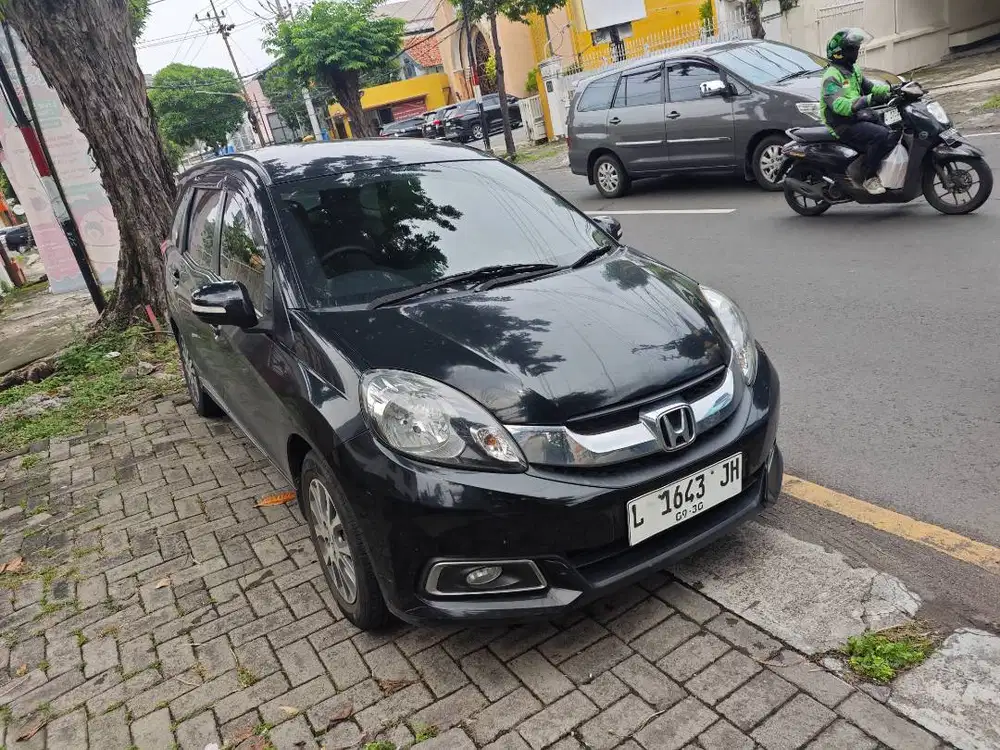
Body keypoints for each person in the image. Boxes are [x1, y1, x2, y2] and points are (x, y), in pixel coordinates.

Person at [820, 28, 895, 194]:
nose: (857, 52)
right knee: (880, 135)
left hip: (858, 117)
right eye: (853, 49)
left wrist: (894, 89)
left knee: (894, 129)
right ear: (841, 53)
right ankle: (869, 177)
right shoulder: (831, 76)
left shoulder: (854, 71)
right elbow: (838, 105)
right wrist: (864, 101)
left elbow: (872, 88)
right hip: (842, 123)